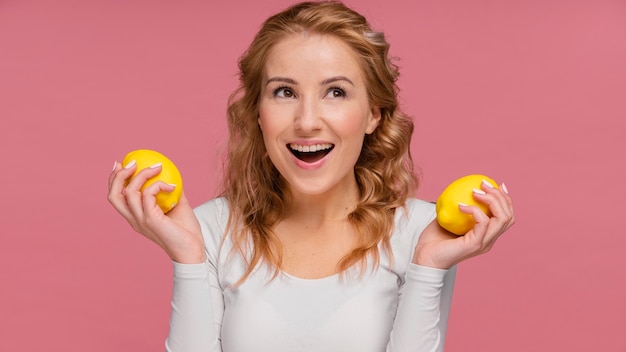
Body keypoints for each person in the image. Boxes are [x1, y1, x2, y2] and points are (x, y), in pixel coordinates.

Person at [107, 1, 515, 351]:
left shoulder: (422, 234)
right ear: (258, 113)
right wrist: (189, 258)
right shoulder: (208, 230)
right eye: (284, 92)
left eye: (335, 92)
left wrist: (428, 265)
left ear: (373, 113)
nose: (306, 122)